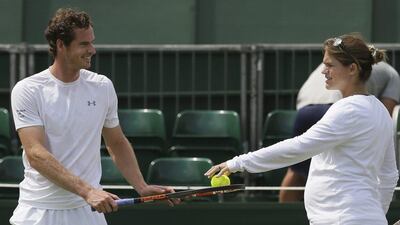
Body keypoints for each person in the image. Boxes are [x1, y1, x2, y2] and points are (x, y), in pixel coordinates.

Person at [205, 33, 399, 224]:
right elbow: (389, 174)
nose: (324, 71)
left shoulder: (349, 109)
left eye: (330, 65)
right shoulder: (380, 111)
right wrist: (375, 215)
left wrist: (237, 163)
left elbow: (300, 147)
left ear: (352, 69)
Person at [9, 8, 178, 225]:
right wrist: (88, 191)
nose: (92, 50)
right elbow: (35, 153)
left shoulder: (102, 86)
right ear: (61, 45)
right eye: (84, 44)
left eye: (92, 42)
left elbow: (116, 142)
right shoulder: (28, 90)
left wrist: (142, 186)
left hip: (87, 214)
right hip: (39, 213)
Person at [279, 61, 400, 202]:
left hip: (304, 111)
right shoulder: (393, 76)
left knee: (296, 171)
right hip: (335, 109)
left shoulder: (335, 60)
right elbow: (385, 116)